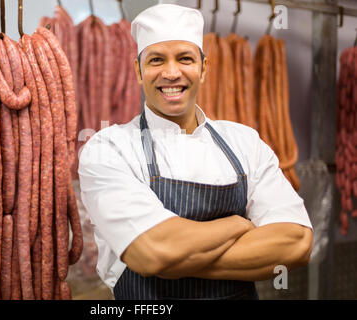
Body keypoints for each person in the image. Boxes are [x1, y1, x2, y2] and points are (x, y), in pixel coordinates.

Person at [78, 4, 313, 300]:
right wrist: (237, 225)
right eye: (156, 60)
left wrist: (174, 262)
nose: (172, 72)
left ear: (204, 68)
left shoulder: (245, 142)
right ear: (139, 71)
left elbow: (297, 243)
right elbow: (151, 252)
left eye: (185, 59)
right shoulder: (109, 148)